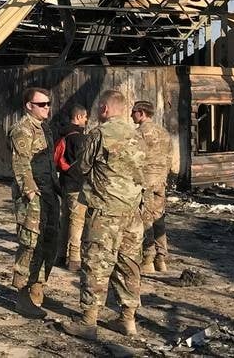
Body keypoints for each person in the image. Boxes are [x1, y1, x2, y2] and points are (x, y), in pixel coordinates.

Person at [61, 90, 145, 340]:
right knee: (129, 266)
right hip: (133, 212)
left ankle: (88, 322)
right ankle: (128, 321)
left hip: (106, 212)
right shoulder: (138, 136)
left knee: (96, 265)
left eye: (99, 109)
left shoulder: (99, 134)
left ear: (106, 110)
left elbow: (83, 166)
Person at [8, 87, 60, 319]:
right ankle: (22, 295)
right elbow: (21, 164)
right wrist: (31, 195)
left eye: (48, 103)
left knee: (49, 243)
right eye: (41, 104)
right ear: (29, 106)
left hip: (49, 193)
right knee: (30, 244)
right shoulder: (22, 130)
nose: (47, 107)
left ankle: (37, 289)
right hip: (34, 196)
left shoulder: (44, 128)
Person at [132, 100, 173, 273]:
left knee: (145, 219)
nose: (131, 115)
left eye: (133, 111)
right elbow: (170, 158)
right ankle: (161, 258)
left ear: (141, 113)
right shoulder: (164, 133)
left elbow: (133, 159)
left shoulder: (138, 134)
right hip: (160, 181)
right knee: (159, 218)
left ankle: (147, 258)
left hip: (145, 183)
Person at [54, 105, 89, 272]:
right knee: (77, 222)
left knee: (65, 220)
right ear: (79, 117)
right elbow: (85, 164)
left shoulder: (61, 134)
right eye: (85, 117)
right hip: (77, 186)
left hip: (64, 184)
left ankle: (60, 255)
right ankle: (74, 258)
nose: (87, 120)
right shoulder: (80, 139)